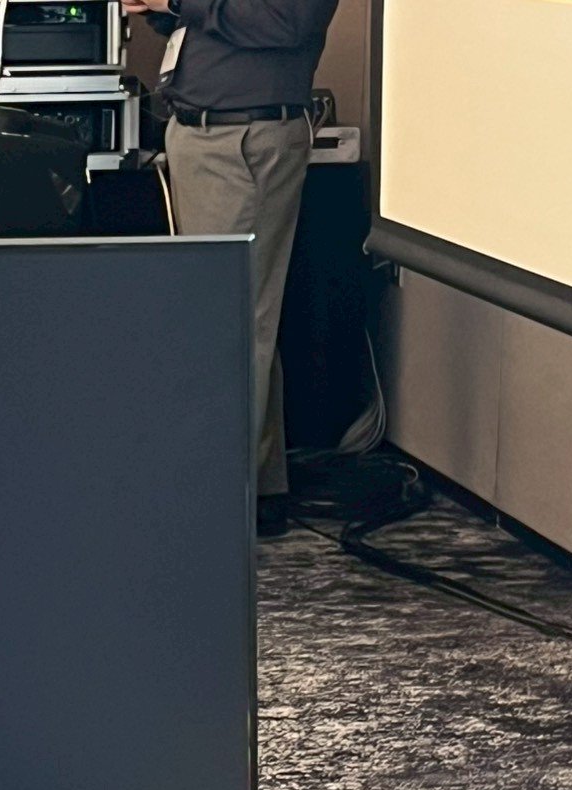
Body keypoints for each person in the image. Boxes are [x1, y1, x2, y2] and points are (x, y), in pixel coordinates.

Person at [122, 0, 339, 537]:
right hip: (200, 132)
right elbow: (213, 20)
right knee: (242, 317)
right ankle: (259, 487)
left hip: (244, 140)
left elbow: (287, 24)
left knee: (232, 322)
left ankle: (216, 502)